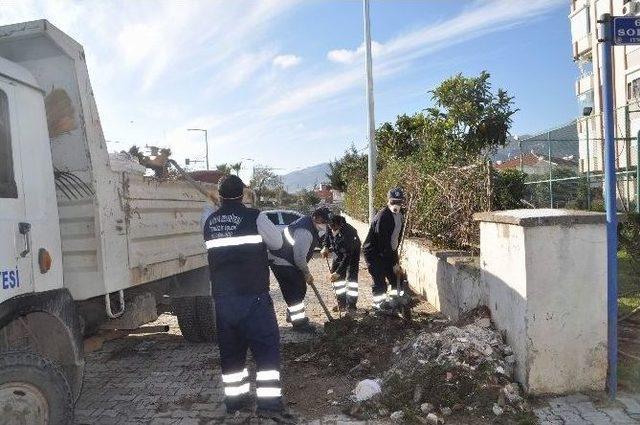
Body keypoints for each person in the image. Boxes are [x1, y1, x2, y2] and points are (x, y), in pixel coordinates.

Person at [202, 175, 293, 422]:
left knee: (231, 354)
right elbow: (275, 242)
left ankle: (235, 403)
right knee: (266, 351)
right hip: (253, 299)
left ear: (219, 195)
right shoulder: (256, 217)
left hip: (223, 300)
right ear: (243, 194)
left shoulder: (209, 221)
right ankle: (269, 407)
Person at [269, 207, 331, 332]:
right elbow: (299, 258)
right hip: (282, 260)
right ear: (316, 217)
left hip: (287, 259)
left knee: (300, 287)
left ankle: (292, 314)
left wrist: (325, 246)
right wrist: (307, 273)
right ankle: (299, 323)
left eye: (326, 222)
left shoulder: (309, 224)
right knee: (295, 290)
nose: (325, 224)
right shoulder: (305, 231)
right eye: (323, 221)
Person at [362, 187, 406, 311]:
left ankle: (394, 302)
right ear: (388, 201)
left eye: (399, 202)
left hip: (388, 251)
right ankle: (379, 306)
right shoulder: (383, 217)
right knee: (380, 280)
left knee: (396, 278)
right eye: (393, 202)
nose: (396, 205)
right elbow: (383, 242)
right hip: (374, 252)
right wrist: (393, 263)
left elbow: (395, 239)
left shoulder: (400, 216)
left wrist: (395, 260)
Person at [321, 214, 361, 312]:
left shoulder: (349, 232)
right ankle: (341, 304)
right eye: (331, 227)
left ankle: (351, 305)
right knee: (337, 281)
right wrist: (325, 246)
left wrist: (338, 272)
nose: (332, 229)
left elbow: (347, 256)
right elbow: (327, 236)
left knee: (351, 280)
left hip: (351, 254)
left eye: (335, 227)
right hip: (338, 253)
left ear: (341, 224)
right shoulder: (330, 225)